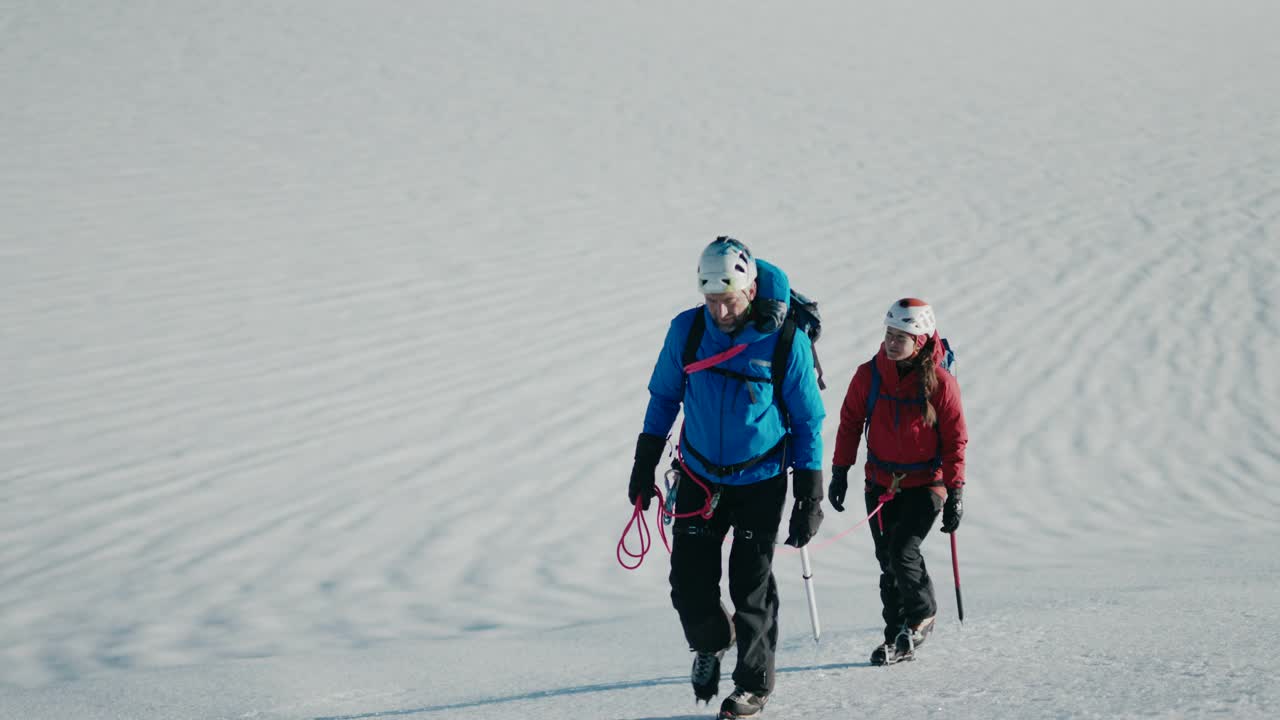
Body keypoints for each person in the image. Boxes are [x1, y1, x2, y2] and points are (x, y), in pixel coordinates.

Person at [628, 237, 826, 718]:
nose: (719, 311)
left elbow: (808, 420)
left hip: (761, 478)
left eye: (729, 300)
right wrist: (644, 462)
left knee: (749, 582)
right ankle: (713, 641)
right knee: (688, 582)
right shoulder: (687, 331)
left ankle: (753, 683)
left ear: (752, 288)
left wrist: (809, 497)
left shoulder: (784, 341)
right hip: (698, 476)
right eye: (711, 300)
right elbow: (663, 398)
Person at [828, 298, 967, 665]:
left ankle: (923, 614)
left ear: (919, 341)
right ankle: (896, 637)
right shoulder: (869, 375)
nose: (891, 342)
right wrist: (840, 471)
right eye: (889, 334)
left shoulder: (941, 383)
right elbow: (850, 423)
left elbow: (955, 441)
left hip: (926, 485)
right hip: (881, 484)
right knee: (887, 562)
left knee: (902, 550)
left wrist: (955, 493)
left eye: (900, 336)